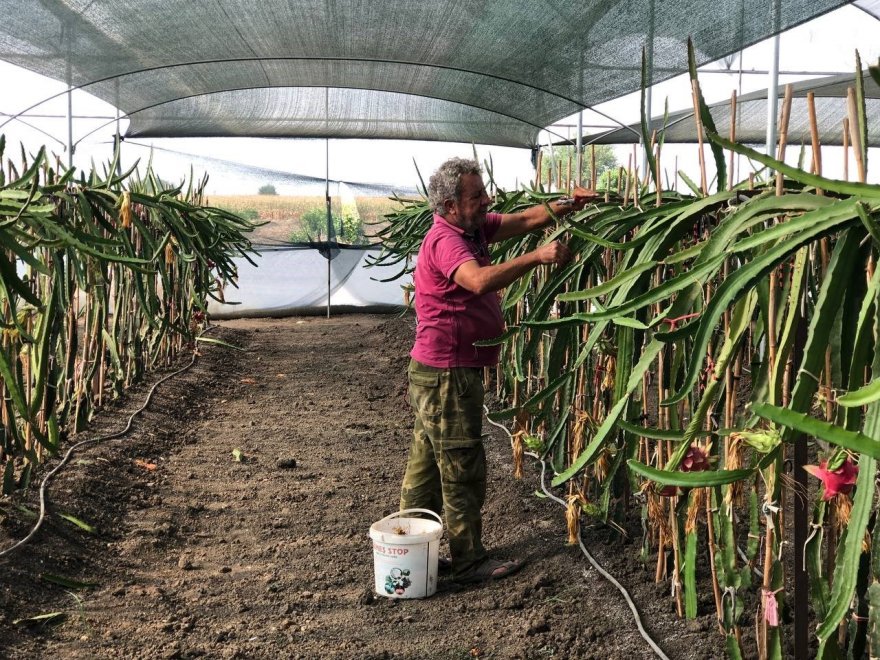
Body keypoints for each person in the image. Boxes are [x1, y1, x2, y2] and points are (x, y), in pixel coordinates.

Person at [399, 157, 599, 583]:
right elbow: (478, 281)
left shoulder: (471, 228)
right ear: (450, 205)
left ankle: (410, 547)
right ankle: (468, 560)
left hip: (437, 372)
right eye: (477, 195)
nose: (487, 200)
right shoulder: (448, 240)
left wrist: (568, 203)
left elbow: (526, 218)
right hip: (447, 374)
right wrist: (539, 256)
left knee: (427, 464)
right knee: (460, 466)